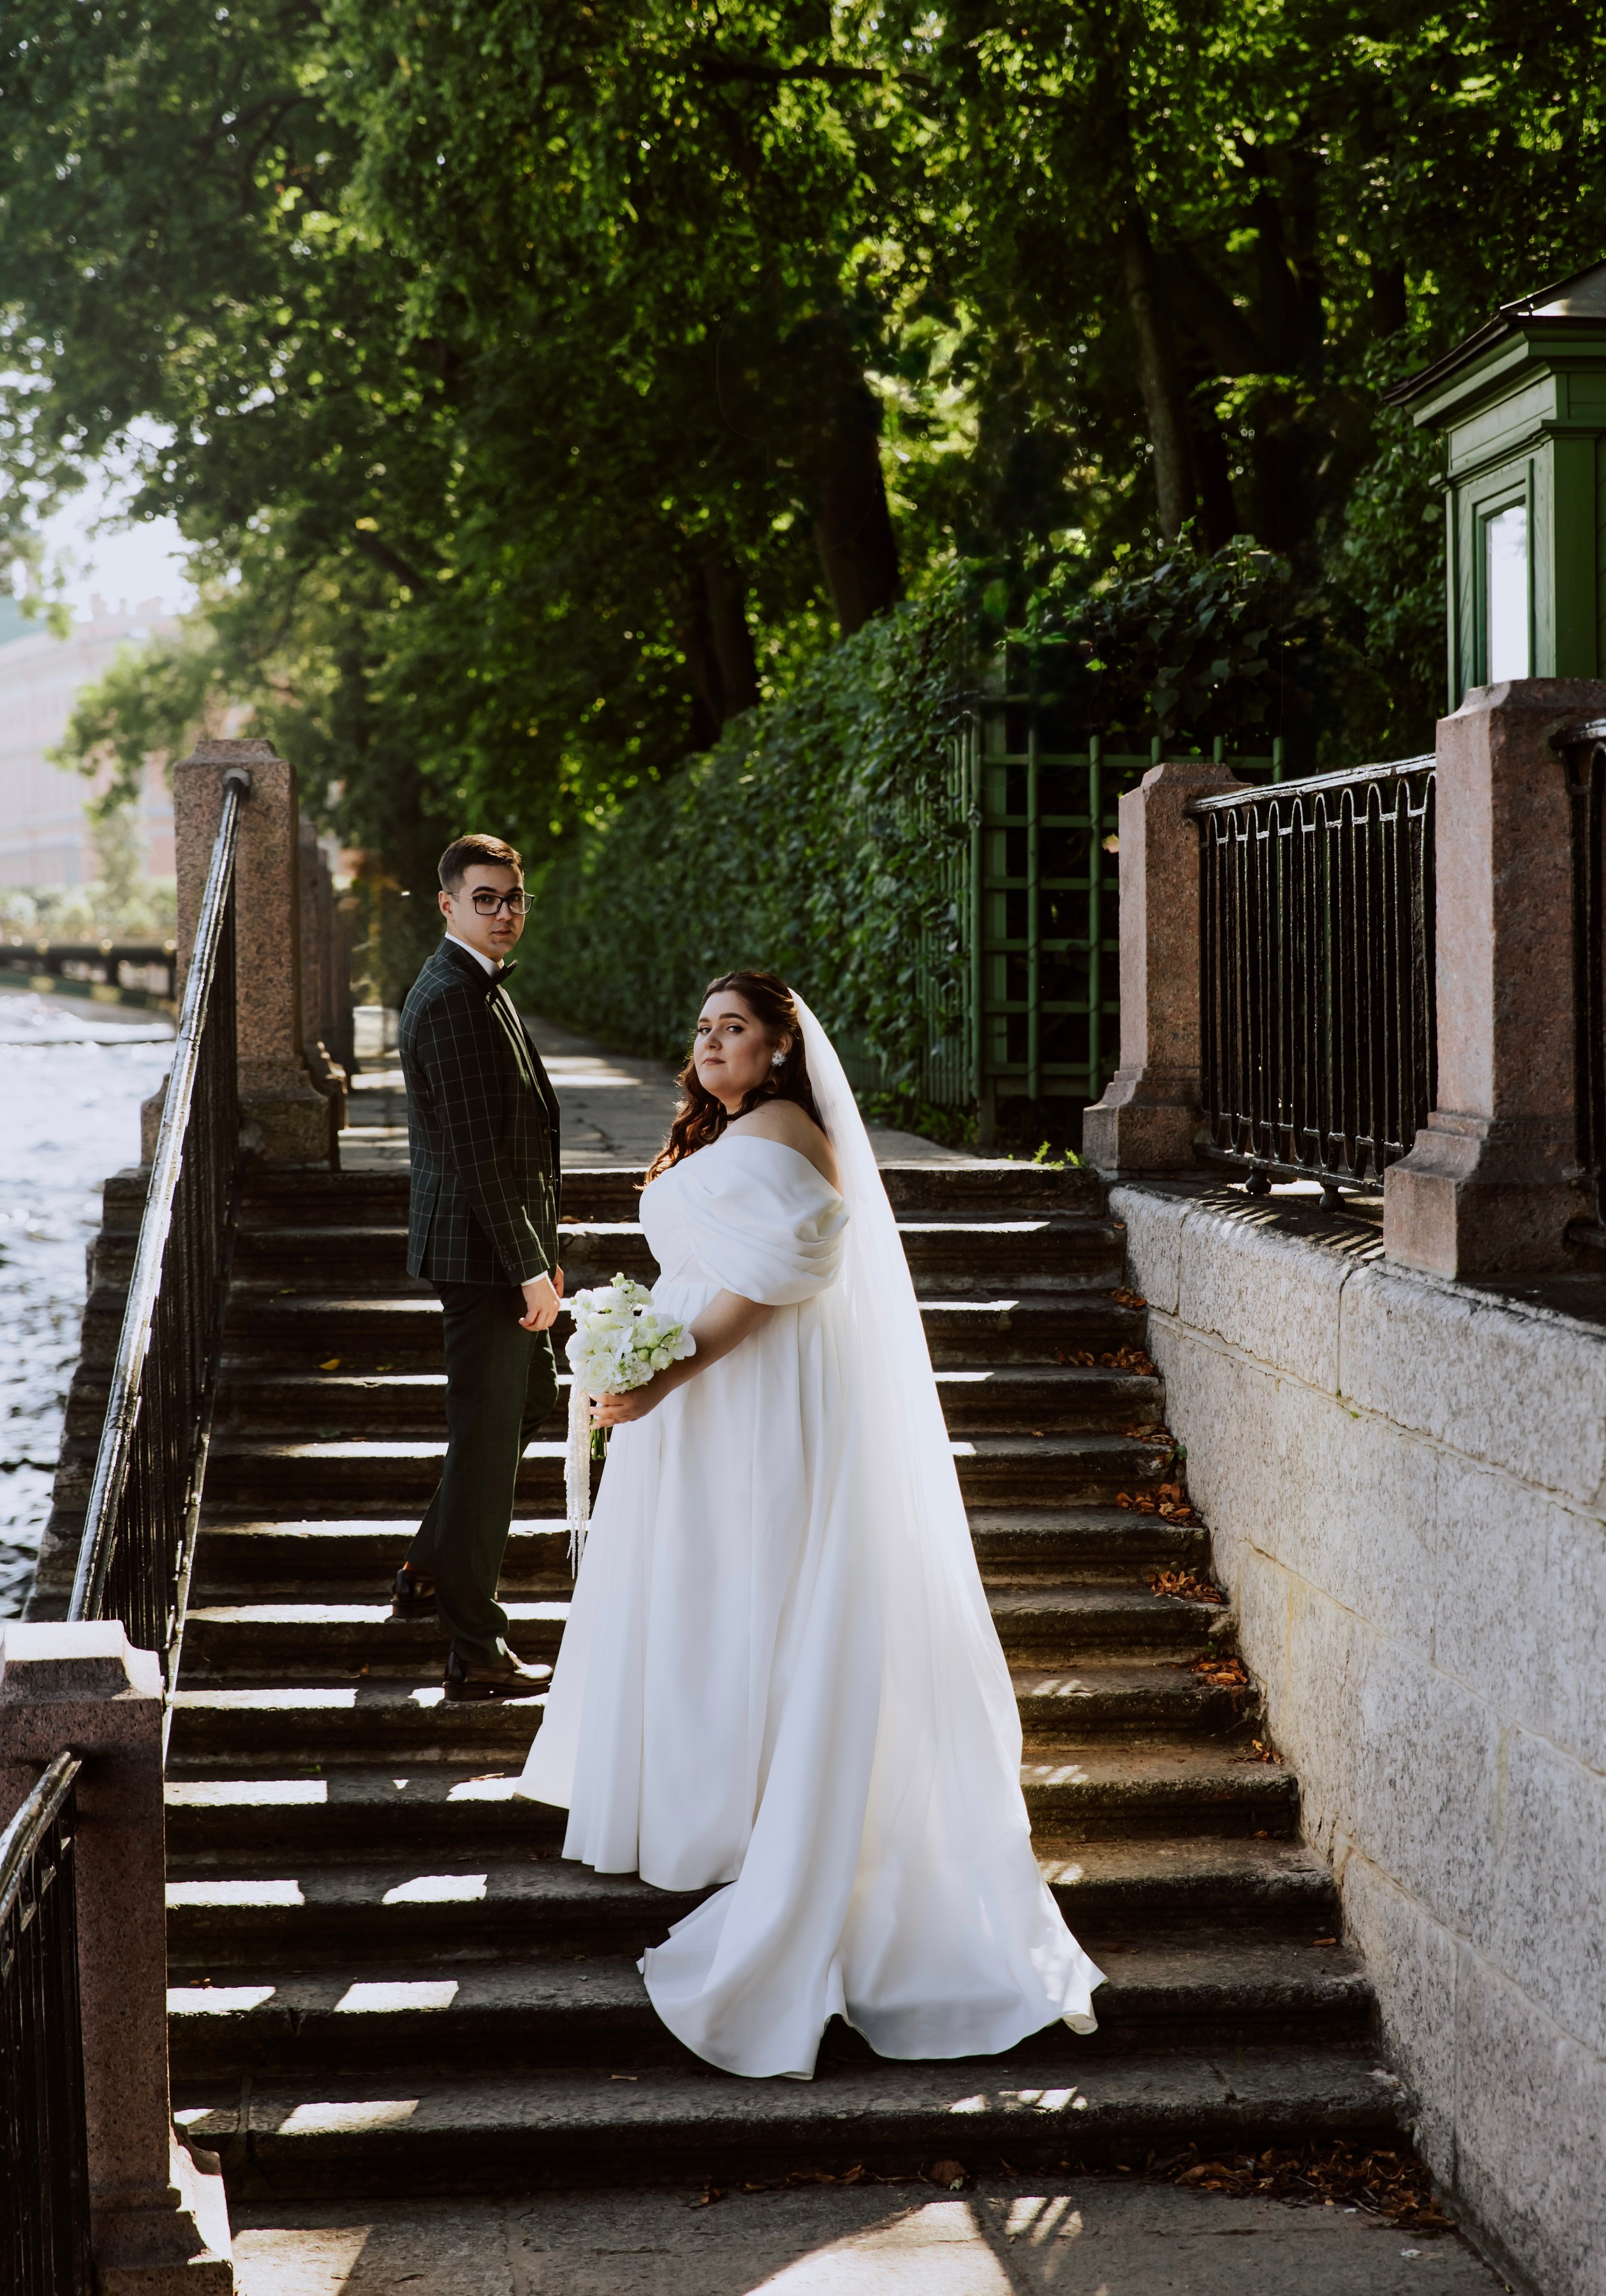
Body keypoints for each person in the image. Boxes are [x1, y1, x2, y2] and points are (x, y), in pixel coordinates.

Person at [519, 970, 1103, 2078]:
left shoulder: (787, 1123)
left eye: (733, 1028)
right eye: (701, 1027)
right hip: (699, 1402)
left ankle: (765, 1824)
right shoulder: (736, 1125)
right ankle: (730, 1810)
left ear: (782, 1047)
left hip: (747, 1396)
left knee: (755, 1596)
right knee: (716, 1598)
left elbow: (779, 1272)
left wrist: (668, 1368)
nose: (710, 1042)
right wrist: (636, 1344)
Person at [394, 833, 564, 1701]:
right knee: (492, 1436)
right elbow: (476, 1156)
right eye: (487, 897)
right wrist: (532, 1265)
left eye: (513, 898)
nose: (505, 912)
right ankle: (474, 1642)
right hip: (485, 1256)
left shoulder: (475, 984)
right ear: (449, 903)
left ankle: (429, 1561)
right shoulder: (454, 999)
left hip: (497, 1248)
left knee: (529, 1403)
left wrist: (541, 1255)